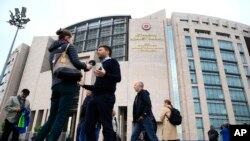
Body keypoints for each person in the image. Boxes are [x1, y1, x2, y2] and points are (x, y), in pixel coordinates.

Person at [35, 28, 93, 141]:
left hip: (55, 85)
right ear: (67, 38)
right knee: (61, 115)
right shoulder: (69, 46)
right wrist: (87, 66)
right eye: (72, 39)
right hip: (68, 84)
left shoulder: (52, 52)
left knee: (51, 117)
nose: (73, 41)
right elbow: (76, 62)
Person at [80, 45, 121, 141]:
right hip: (94, 98)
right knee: (88, 125)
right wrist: (83, 85)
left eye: (100, 50)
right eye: (97, 50)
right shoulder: (102, 65)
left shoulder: (113, 62)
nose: (97, 51)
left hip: (106, 97)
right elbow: (96, 87)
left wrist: (105, 74)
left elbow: (118, 78)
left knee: (106, 125)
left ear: (107, 51)